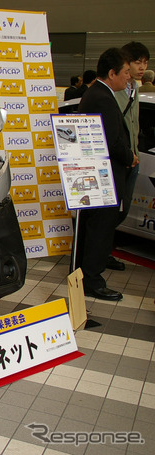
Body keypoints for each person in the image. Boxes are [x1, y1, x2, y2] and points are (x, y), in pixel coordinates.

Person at [75, 47, 138, 301]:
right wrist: (129, 156)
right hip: (104, 178)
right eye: (125, 72)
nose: (129, 77)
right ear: (112, 73)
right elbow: (112, 140)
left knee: (96, 229)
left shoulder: (98, 93)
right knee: (100, 229)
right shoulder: (102, 97)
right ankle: (92, 280)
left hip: (98, 176)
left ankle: (87, 274)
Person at [107, 41, 150, 271]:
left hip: (133, 159)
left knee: (123, 209)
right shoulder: (113, 91)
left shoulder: (136, 88)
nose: (141, 67)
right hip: (118, 159)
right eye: (137, 62)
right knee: (112, 212)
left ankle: (105, 250)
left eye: (145, 63)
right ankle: (102, 253)